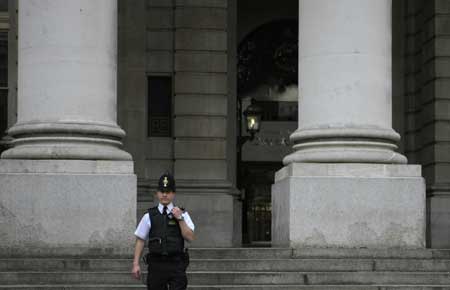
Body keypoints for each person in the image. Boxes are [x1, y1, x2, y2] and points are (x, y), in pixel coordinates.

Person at [132, 172, 195, 290]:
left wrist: (180, 219)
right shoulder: (149, 215)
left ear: (173, 193)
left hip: (176, 263)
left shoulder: (183, 214)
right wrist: (136, 264)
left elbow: (190, 237)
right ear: (157, 193)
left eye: (168, 191)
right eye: (162, 191)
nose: (164, 195)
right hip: (156, 264)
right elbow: (140, 240)